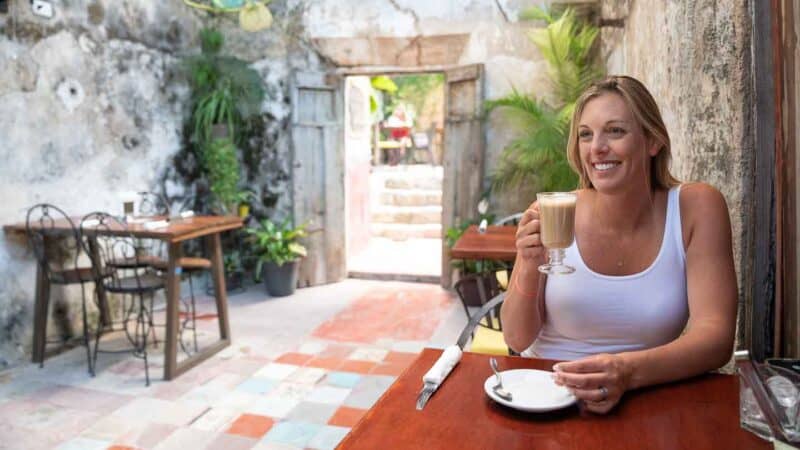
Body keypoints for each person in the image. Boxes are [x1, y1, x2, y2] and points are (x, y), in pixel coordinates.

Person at [500, 75, 738, 414]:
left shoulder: (696, 208)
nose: (597, 148)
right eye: (586, 134)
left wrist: (627, 373)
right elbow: (517, 338)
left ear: (653, 140)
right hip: (546, 397)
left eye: (615, 131)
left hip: (650, 398)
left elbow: (716, 338)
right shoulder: (551, 212)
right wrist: (526, 263)